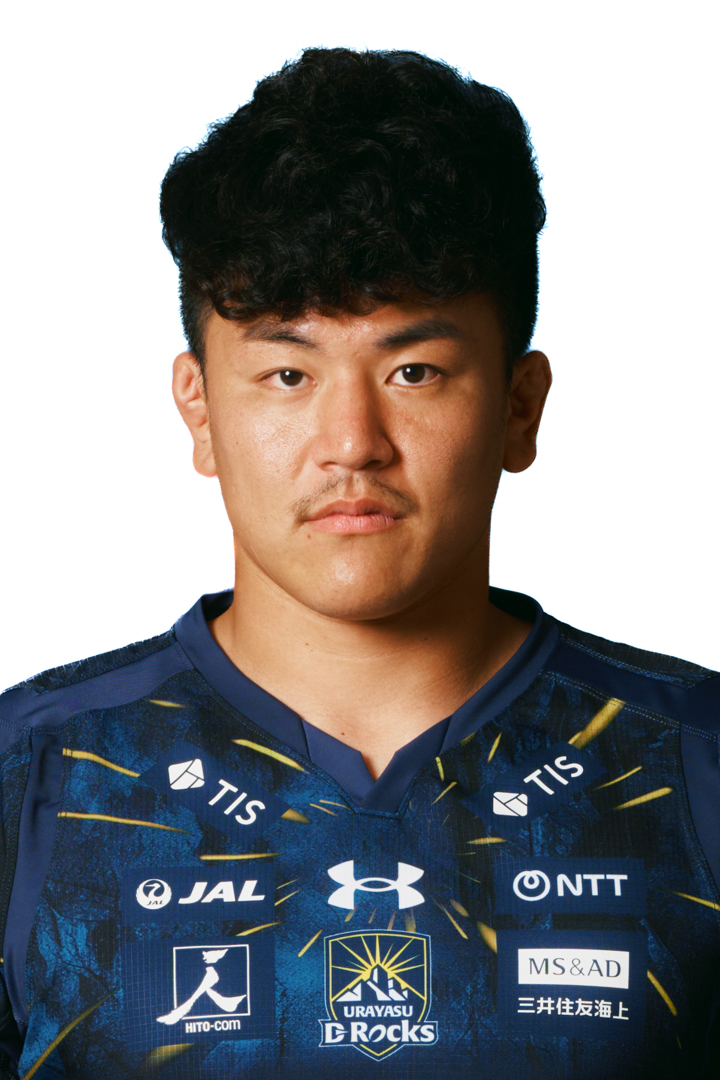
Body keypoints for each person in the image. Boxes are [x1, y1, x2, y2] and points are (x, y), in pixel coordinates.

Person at [0, 47, 717, 1080]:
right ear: (199, 408)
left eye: (414, 370)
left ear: (519, 407)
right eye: (288, 374)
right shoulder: (36, 779)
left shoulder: (692, 763)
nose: (352, 443)